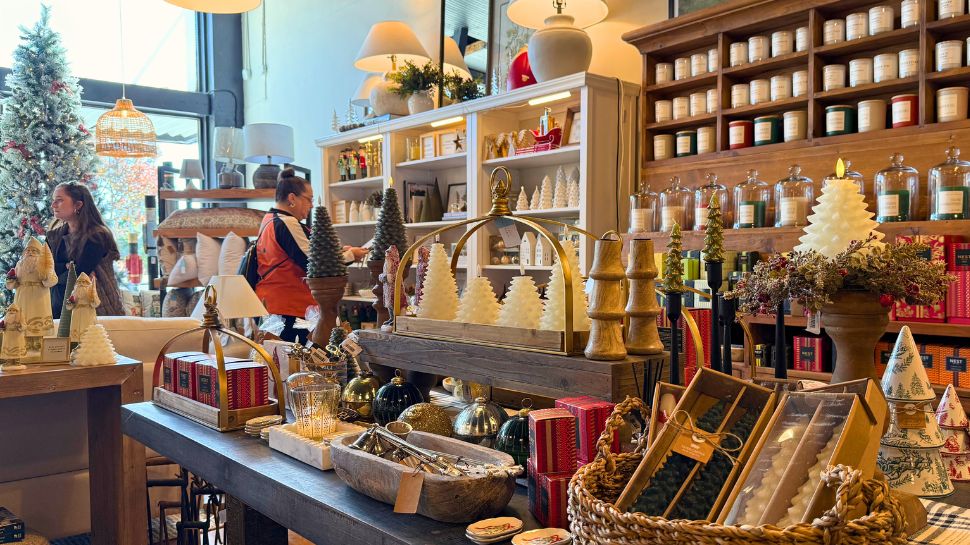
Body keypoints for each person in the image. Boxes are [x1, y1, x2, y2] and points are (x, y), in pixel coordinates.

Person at [255, 168, 367, 343]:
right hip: (290, 309)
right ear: (292, 198)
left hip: (274, 306)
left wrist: (338, 252)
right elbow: (313, 264)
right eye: (309, 199)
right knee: (302, 362)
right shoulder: (287, 223)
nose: (312, 205)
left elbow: (305, 254)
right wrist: (351, 255)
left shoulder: (269, 220)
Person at [46, 182, 124, 317]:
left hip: (97, 308)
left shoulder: (97, 235)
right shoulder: (54, 236)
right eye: (53, 201)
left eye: (59, 200)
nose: (53, 205)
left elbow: (79, 274)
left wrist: (56, 271)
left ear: (78, 205)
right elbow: (42, 270)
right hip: (58, 309)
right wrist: (65, 267)